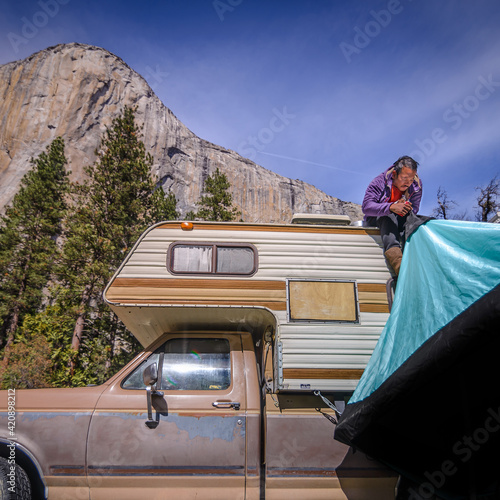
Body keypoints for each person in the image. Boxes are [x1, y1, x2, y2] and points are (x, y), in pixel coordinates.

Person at [362, 156, 422, 276]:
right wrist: (390, 207)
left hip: (399, 219)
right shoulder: (379, 182)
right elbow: (367, 207)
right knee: (388, 217)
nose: (408, 183)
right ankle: (398, 264)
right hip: (378, 219)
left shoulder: (416, 186)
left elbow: (415, 208)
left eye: (411, 179)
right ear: (394, 174)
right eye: (404, 178)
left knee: (421, 222)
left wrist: (408, 208)